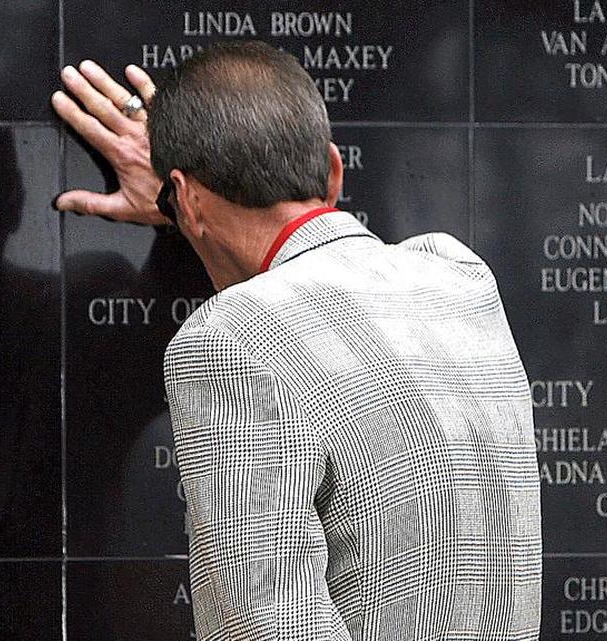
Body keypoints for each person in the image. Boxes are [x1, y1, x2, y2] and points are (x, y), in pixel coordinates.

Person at [53, 41, 542, 640]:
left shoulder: (230, 337)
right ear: (335, 170)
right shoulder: (459, 276)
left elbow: (259, 621)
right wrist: (196, 203)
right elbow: (345, 289)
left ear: (185, 197)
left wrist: (194, 204)